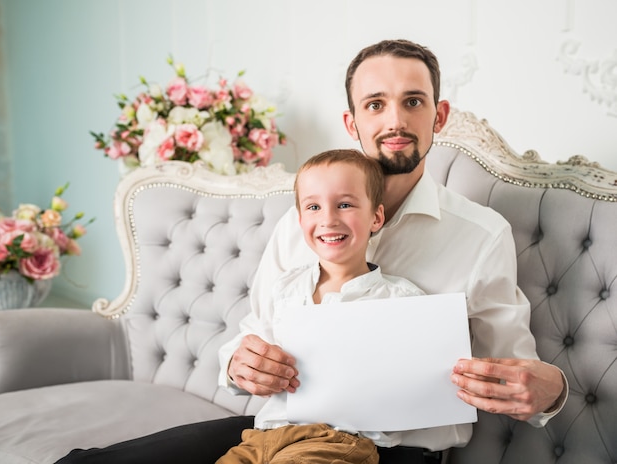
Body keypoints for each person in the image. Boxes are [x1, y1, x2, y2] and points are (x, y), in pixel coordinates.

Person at [57, 38, 567, 464]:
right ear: (352, 122)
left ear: (440, 115)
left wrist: (549, 391)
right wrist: (240, 364)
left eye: (414, 101)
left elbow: (517, 368)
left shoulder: (481, 234)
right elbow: (254, 334)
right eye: (375, 104)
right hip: (275, 433)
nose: (396, 119)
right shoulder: (297, 223)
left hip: (393, 452)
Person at [216, 148, 425, 464]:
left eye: (344, 205)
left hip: (342, 440)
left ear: (376, 217)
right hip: (265, 435)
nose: (328, 219)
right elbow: (256, 341)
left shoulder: (401, 300)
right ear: (300, 219)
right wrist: (251, 366)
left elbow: (420, 381)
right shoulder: (286, 287)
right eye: (313, 206)